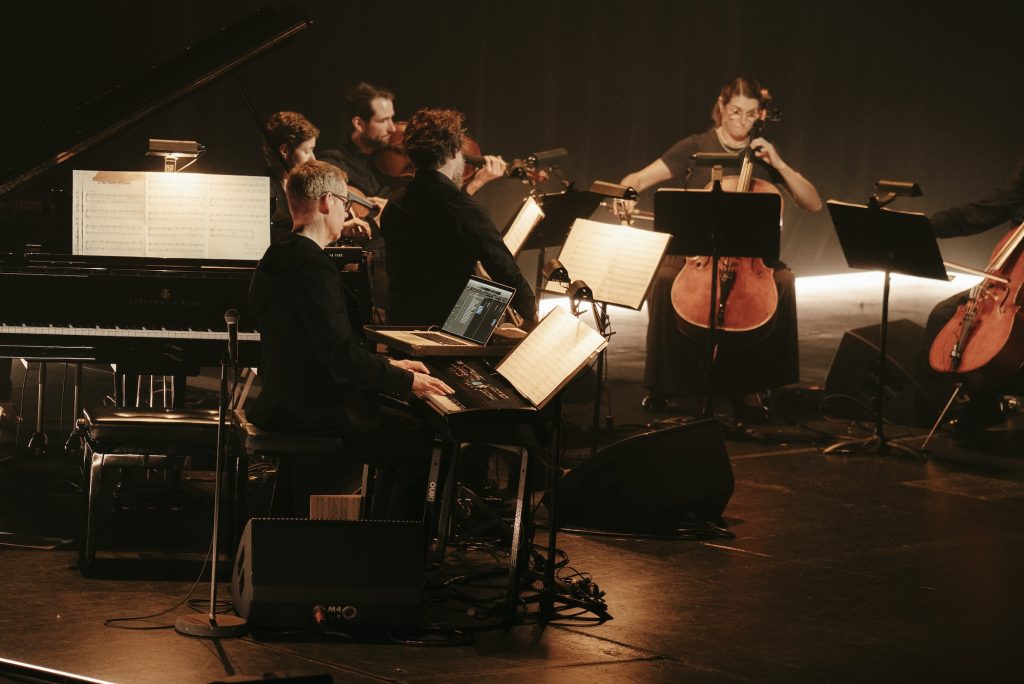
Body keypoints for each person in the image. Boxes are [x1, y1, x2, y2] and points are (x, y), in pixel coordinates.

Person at [246, 159, 452, 520]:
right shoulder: (314, 266)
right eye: (345, 203)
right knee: (421, 439)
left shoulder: (277, 254)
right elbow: (339, 356)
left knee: (405, 425)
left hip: (284, 398)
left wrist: (390, 366)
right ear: (327, 201)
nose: (346, 212)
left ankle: (376, 534)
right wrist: (407, 380)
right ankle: (391, 546)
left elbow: (318, 346)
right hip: (312, 408)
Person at [620, 75, 822, 420]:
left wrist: (778, 163)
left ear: (760, 115)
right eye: (735, 112)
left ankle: (754, 384)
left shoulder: (762, 152)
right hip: (696, 254)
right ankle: (665, 383)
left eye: (751, 114)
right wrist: (627, 192)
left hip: (749, 258)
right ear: (721, 106)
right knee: (664, 278)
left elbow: (812, 203)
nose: (742, 121)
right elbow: (638, 179)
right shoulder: (695, 147)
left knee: (784, 281)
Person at [319, 83, 509, 317]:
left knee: (474, 282)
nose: (392, 128)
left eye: (392, 118)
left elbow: (439, 210)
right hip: (376, 264)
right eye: (383, 120)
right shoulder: (335, 165)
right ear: (359, 123)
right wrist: (474, 185)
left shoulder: (392, 160)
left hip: (409, 263)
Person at [379, 107, 537, 327]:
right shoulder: (462, 207)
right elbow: (504, 269)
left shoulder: (394, 204)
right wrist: (530, 313)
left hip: (399, 323)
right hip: (447, 328)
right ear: (454, 152)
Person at [925, 159, 1024, 431]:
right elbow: (987, 210)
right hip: (1013, 280)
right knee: (943, 314)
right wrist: (928, 227)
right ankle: (978, 401)